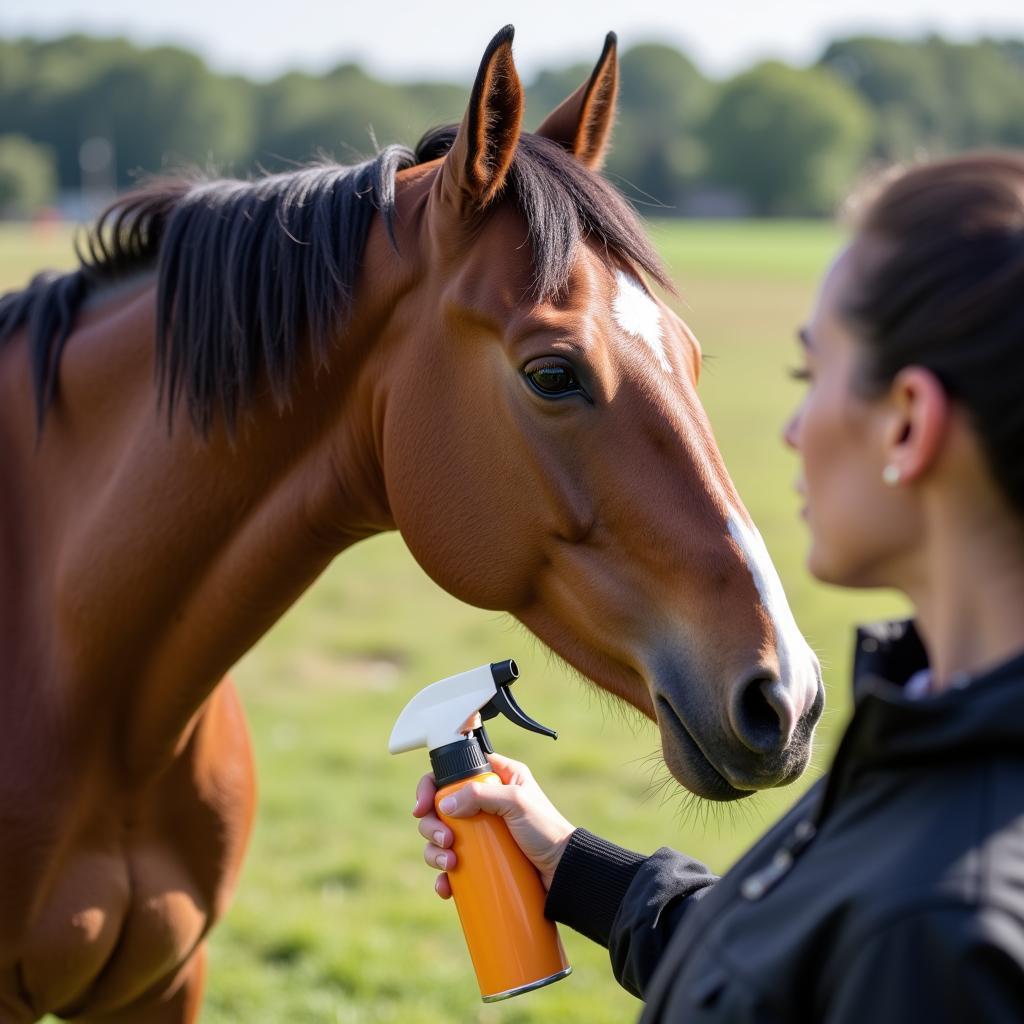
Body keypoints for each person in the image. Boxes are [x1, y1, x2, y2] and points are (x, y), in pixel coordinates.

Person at [412, 152, 1024, 1022]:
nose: (790, 429)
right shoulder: (935, 737)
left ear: (911, 422)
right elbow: (792, 964)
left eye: (810, 379)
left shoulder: (938, 929)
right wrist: (570, 865)